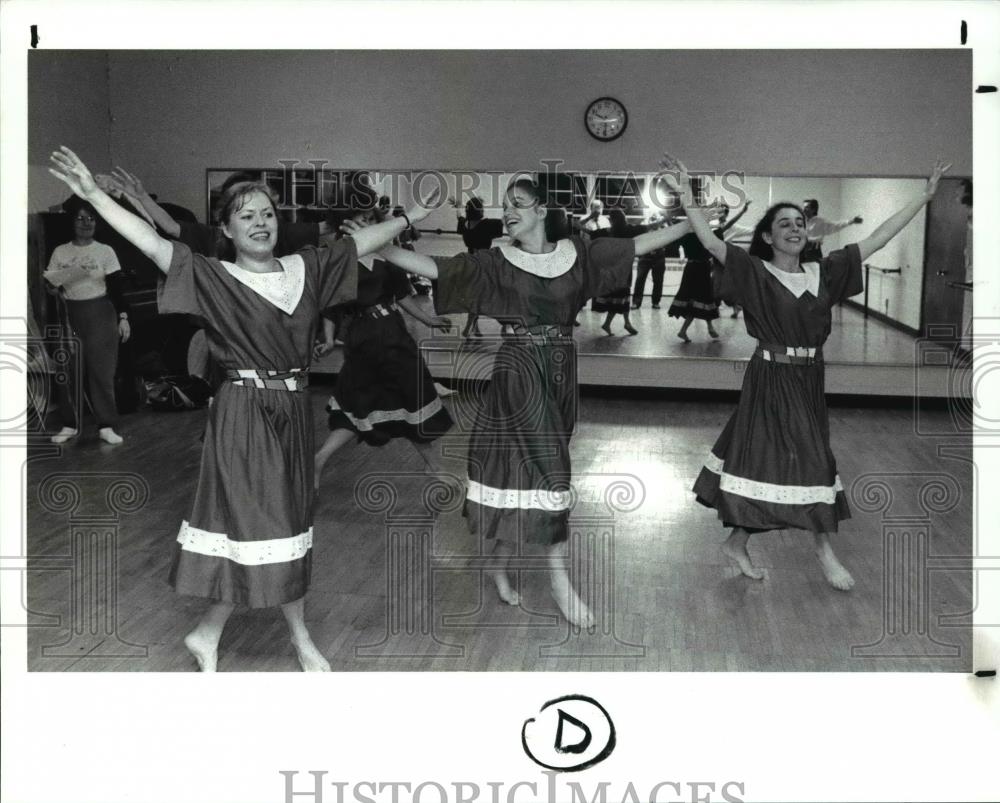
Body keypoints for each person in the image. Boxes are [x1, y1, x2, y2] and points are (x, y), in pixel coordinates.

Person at [49, 146, 437, 671]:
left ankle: (208, 633)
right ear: (227, 231)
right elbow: (153, 241)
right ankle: (299, 638)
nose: (260, 222)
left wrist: (410, 215)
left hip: (293, 411)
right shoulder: (212, 276)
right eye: (246, 215)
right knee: (269, 521)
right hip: (243, 413)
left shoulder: (307, 269)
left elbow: (359, 242)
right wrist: (94, 195)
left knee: (285, 523)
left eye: (267, 214)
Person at [372, 176, 691, 626]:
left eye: (518, 203)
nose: (509, 211)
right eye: (506, 205)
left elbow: (636, 245)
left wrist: (691, 221)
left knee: (527, 474)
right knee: (553, 471)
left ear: (543, 211)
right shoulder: (495, 261)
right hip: (519, 371)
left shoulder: (578, 252)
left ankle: (497, 564)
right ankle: (559, 579)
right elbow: (434, 268)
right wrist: (376, 241)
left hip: (560, 369)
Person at [660, 153, 950, 591]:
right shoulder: (755, 272)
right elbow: (714, 244)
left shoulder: (826, 272)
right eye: (785, 223)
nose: (796, 227)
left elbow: (877, 236)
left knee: (787, 462)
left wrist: (924, 199)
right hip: (770, 378)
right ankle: (824, 552)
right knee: (809, 460)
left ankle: (737, 543)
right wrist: (687, 198)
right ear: (767, 236)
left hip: (810, 380)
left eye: (799, 222)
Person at [313, 206, 455, 490]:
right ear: (346, 225)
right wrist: (328, 339)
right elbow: (331, 306)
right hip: (364, 339)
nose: (366, 224)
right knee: (358, 403)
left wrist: (430, 319)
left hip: (394, 335)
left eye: (370, 220)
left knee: (408, 400)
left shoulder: (388, 256)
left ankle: (434, 468)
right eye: (360, 220)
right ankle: (319, 460)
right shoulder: (339, 261)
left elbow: (401, 296)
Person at [43, 197, 131, 445]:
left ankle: (106, 426)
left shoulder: (105, 251)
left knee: (101, 373)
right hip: (69, 314)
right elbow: (50, 283)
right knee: (67, 371)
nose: (86, 223)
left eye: (91, 218)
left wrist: (123, 318)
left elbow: (117, 289)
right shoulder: (61, 251)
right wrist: (51, 287)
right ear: (72, 222)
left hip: (100, 314)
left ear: (97, 222)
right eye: (80, 218)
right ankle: (70, 424)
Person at [667, 182, 723, 342]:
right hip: (700, 269)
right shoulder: (702, 235)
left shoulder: (688, 234)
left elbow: (675, 234)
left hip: (693, 268)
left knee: (700, 300)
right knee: (701, 299)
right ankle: (703, 329)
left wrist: (669, 220)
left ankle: (704, 329)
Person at [452, 196, 507, 338]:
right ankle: (470, 328)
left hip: (470, 263)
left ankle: (473, 328)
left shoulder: (466, 224)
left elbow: (460, 216)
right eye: (482, 208)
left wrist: (458, 206)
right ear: (479, 211)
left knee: (477, 296)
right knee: (487, 297)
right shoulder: (486, 225)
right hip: (483, 264)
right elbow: (504, 221)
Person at [591, 209, 640, 335]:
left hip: (613, 269)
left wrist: (577, 225)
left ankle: (620, 323)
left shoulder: (608, 232)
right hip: (624, 268)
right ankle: (624, 323)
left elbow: (591, 233)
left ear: (612, 220)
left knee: (618, 297)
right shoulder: (627, 230)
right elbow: (645, 228)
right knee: (621, 296)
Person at [801, 198, 863, 263]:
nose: (804, 210)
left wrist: (851, 221)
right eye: (804, 207)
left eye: (807, 207)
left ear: (813, 209)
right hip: (801, 252)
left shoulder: (820, 222)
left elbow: (835, 226)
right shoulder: (801, 221)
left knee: (815, 271)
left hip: (813, 253)